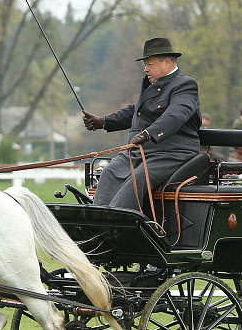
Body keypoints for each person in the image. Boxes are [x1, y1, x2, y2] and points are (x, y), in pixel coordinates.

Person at [82, 37, 201, 211]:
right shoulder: (151, 86)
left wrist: (148, 133)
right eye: (145, 65)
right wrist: (103, 122)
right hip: (140, 152)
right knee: (109, 172)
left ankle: (120, 225)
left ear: (167, 62)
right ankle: (99, 220)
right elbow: (135, 110)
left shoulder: (185, 85)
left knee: (137, 179)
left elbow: (176, 114)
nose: (145, 69)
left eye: (149, 64)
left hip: (171, 153)